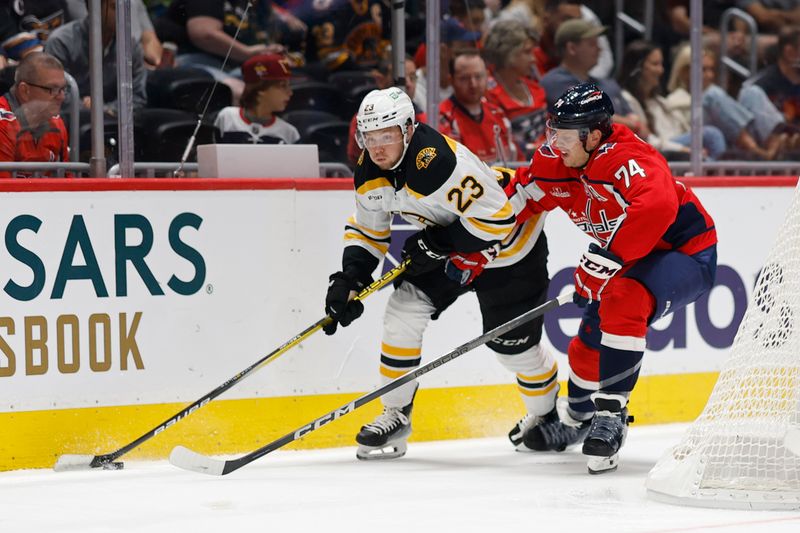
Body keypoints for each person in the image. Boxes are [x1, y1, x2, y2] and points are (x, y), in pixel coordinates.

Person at [325, 87, 553, 460]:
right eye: (369, 138)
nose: (377, 147)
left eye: (386, 136)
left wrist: (439, 243)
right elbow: (369, 230)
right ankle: (396, 413)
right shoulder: (369, 171)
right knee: (402, 313)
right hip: (450, 243)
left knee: (514, 352)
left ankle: (546, 416)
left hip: (508, 248)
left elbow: (498, 221)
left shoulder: (439, 163)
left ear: (408, 130)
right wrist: (350, 279)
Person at [507, 83, 717, 474]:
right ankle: (578, 421)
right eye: (554, 132)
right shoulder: (561, 162)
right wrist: (465, 241)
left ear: (595, 135)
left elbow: (656, 207)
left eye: (566, 136)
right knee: (585, 349)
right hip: (626, 258)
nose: (557, 144)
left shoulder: (628, 158)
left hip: (685, 251)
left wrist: (605, 261)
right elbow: (514, 200)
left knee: (623, 298)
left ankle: (611, 415)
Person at [618, 40, 727, 160]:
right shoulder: (627, 100)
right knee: (711, 134)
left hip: (673, 145)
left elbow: (682, 130)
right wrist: (684, 149)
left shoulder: (659, 101)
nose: (661, 70)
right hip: (659, 149)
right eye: (655, 64)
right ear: (637, 68)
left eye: (661, 64)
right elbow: (647, 140)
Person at [540, 19, 641, 134]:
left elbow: (637, 122)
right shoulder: (554, 82)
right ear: (572, 48)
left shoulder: (608, 84)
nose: (599, 49)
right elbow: (591, 118)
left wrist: (631, 123)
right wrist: (629, 123)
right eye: (592, 44)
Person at [45, 0, 148, 112]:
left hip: (114, 120)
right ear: (94, 8)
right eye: (114, 7)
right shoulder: (61, 42)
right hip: (70, 121)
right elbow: (54, 94)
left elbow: (137, 97)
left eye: (125, 7)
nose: (122, 14)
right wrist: (86, 108)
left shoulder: (130, 46)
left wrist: (103, 109)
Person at [483, 19, 548, 158]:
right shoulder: (488, 94)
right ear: (508, 53)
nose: (533, 59)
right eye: (527, 52)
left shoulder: (535, 87)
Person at [439, 49, 517, 163]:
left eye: (478, 76)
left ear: (487, 76)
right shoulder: (443, 118)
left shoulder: (497, 114)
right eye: (464, 78)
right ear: (451, 80)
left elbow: (514, 161)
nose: (473, 84)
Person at [346, 55, 425, 166]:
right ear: (380, 80)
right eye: (399, 79)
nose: (408, 84)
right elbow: (357, 160)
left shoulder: (425, 118)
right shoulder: (364, 120)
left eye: (412, 77)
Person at [0, 52, 69, 178]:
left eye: (63, 89)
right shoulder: (2, 124)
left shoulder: (57, 124)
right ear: (25, 91)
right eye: (52, 89)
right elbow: (4, 192)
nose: (61, 97)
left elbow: (67, 184)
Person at [213, 53, 299, 144]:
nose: (290, 93)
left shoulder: (289, 133)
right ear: (260, 89)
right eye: (283, 86)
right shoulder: (227, 117)